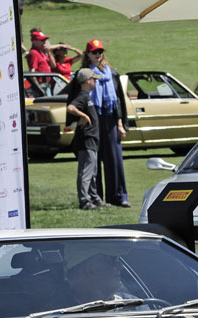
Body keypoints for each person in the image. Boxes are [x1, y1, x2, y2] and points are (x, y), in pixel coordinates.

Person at [81, 39, 130, 207]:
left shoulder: (111, 73)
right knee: (93, 161)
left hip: (109, 119)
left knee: (114, 159)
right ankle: (97, 198)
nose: (98, 55)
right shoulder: (83, 75)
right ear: (88, 54)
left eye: (100, 51)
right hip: (92, 120)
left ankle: (119, 196)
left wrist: (121, 124)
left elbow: (118, 101)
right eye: (94, 52)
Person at [66, 68, 104, 210]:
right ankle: (84, 201)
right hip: (86, 140)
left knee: (92, 171)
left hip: (91, 140)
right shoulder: (82, 96)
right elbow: (70, 108)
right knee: (87, 172)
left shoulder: (86, 96)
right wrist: (84, 116)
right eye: (94, 79)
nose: (95, 81)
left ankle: (95, 198)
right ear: (88, 81)